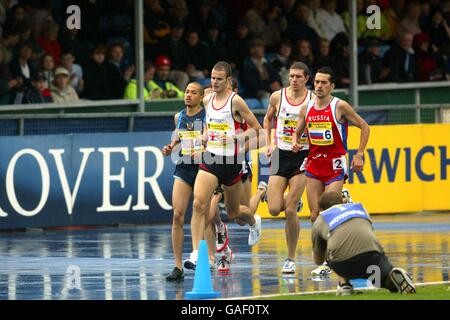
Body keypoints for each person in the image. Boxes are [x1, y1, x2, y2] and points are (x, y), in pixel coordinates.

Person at [184, 61, 263, 270]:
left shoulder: (236, 102)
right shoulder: (207, 99)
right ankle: (195, 254)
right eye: (212, 78)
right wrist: (202, 139)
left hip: (232, 162)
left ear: (228, 80)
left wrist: (236, 139)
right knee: (199, 204)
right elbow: (208, 127)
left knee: (235, 213)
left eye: (219, 79)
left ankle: (254, 222)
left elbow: (257, 129)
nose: (214, 82)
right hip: (211, 159)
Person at [292, 66, 370, 276]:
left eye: (323, 82)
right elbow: (298, 131)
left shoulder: (339, 106)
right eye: (316, 82)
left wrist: (359, 154)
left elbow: (364, 127)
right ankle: (324, 257)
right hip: (314, 164)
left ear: (332, 86)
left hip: (335, 164)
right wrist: (295, 142)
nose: (318, 86)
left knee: (330, 212)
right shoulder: (306, 108)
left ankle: (333, 259)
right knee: (315, 214)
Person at [208, 78, 268, 273]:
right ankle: (217, 253)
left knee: (239, 216)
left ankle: (260, 194)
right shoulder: (213, 105)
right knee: (208, 209)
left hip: (239, 164)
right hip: (214, 162)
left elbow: (262, 137)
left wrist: (240, 143)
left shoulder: (239, 110)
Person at [312, 191, 416, 295]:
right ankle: (390, 277)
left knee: (331, 249)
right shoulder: (360, 208)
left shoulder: (320, 219)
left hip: (343, 265)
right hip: (372, 256)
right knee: (380, 280)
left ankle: (345, 285)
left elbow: (318, 260)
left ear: (321, 209)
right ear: (342, 202)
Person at [263, 62, 314, 274]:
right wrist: (269, 142)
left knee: (290, 209)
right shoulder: (277, 96)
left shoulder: (312, 100)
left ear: (306, 79)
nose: (294, 80)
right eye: (291, 76)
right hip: (279, 154)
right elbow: (267, 119)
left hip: (302, 155)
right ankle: (294, 199)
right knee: (274, 208)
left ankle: (290, 259)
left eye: (298, 77)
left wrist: (306, 140)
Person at [163, 82, 206, 282]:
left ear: (201, 97)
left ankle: (206, 257)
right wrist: (171, 146)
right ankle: (178, 266)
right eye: (187, 92)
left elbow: (212, 140)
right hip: (183, 167)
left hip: (204, 168)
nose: (188, 95)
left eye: (193, 92)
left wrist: (204, 150)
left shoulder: (207, 116)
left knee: (202, 211)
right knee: (177, 215)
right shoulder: (178, 116)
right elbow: (179, 137)